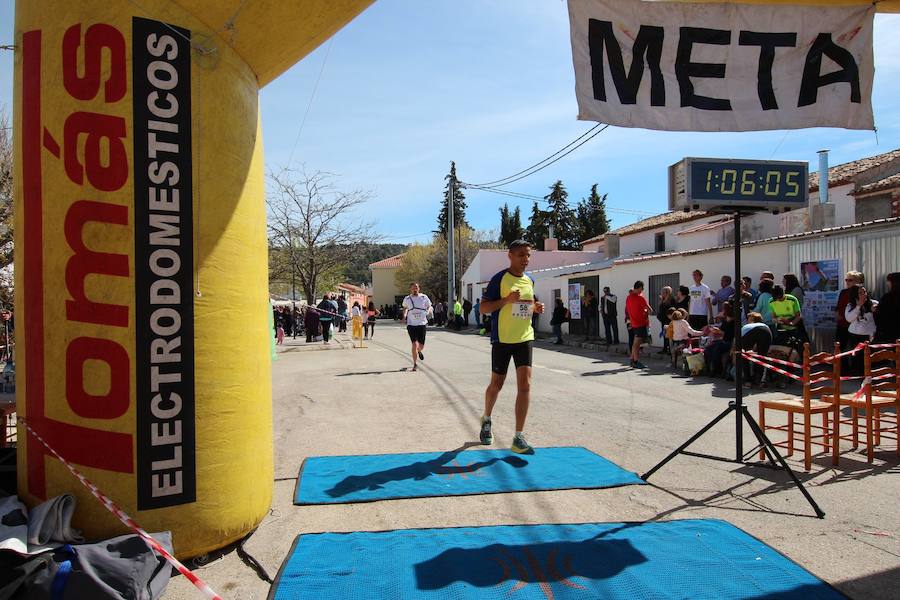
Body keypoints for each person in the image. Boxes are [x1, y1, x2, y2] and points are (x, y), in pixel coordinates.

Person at [479, 239, 545, 455]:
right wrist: (506, 300)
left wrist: (536, 308)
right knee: (496, 385)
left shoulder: (530, 280)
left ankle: (518, 437)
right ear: (510, 256)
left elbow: (528, 304)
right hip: (503, 339)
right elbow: (484, 308)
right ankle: (487, 418)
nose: (526, 259)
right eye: (521, 255)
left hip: (524, 338)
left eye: (528, 255)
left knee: (525, 385)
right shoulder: (499, 279)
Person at [845, 285, 878, 374]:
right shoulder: (850, 305)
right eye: (860, 293)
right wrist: (858, 306)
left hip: (869, 335)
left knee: (868, 357)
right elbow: (849, 318)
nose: (863, 295)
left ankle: (868, 375)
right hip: (855, 334)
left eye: (864, 292)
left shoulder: (873, 303)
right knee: (856, 357)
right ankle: (857, 374)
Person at [402, 282, 432, 371]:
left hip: (422, 324)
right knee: (414, 344)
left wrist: (429, 311)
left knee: (421, 345)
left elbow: (430, 306)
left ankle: (419, 351)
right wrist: (404, 316)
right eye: (413, 288)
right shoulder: (407, 299)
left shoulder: (424, 297)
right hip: (411, 324)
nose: (415, 289)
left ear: (419, 289)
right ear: (410, 289)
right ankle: (415, 364)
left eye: (416, 288)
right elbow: (405, 308)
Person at [741, 312, 773, 387]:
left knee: (745, 355)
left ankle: (747, 380)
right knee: (762, 356)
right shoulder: (765, 325)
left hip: (749, 332)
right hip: (766, 331)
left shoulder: (747, 326)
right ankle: (759, 380)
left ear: (751, 319)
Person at [835, 271, 864, 355]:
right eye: (846, 280)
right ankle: (841, 367)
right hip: (842, 325)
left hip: (855, 326)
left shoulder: (861, 293)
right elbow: (838, 306)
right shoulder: (843, 292)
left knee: (855, 350)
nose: (847, 282)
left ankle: (854, 367)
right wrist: (837, 314)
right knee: (840, 348)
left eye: (850, 280)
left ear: (857, 281)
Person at [625, 280, 651, 369]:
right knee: (637, 344)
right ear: (640, 288)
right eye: (642, 288)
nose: (642, 290)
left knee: (634, 343)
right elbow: (649, 310)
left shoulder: (628, 298)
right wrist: (645, 311)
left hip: (633, 323)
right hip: (640, 323)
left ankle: (632, 360)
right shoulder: (640, 298)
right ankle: (635, 361)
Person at [874, 272, 900, 343]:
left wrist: (874, 311)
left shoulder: (888, 298)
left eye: (888, 281)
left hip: (887, 335)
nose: (887, 283)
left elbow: (880, 317)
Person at [657, 286, 675, 355]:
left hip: (668, 320)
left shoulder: (671, 300)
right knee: (664, 334)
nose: (661, 293)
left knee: (669, 335)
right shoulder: (663, 299)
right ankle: (665, 348)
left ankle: (669, 349)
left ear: (667, 292)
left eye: (663, 292)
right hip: (663, 320)